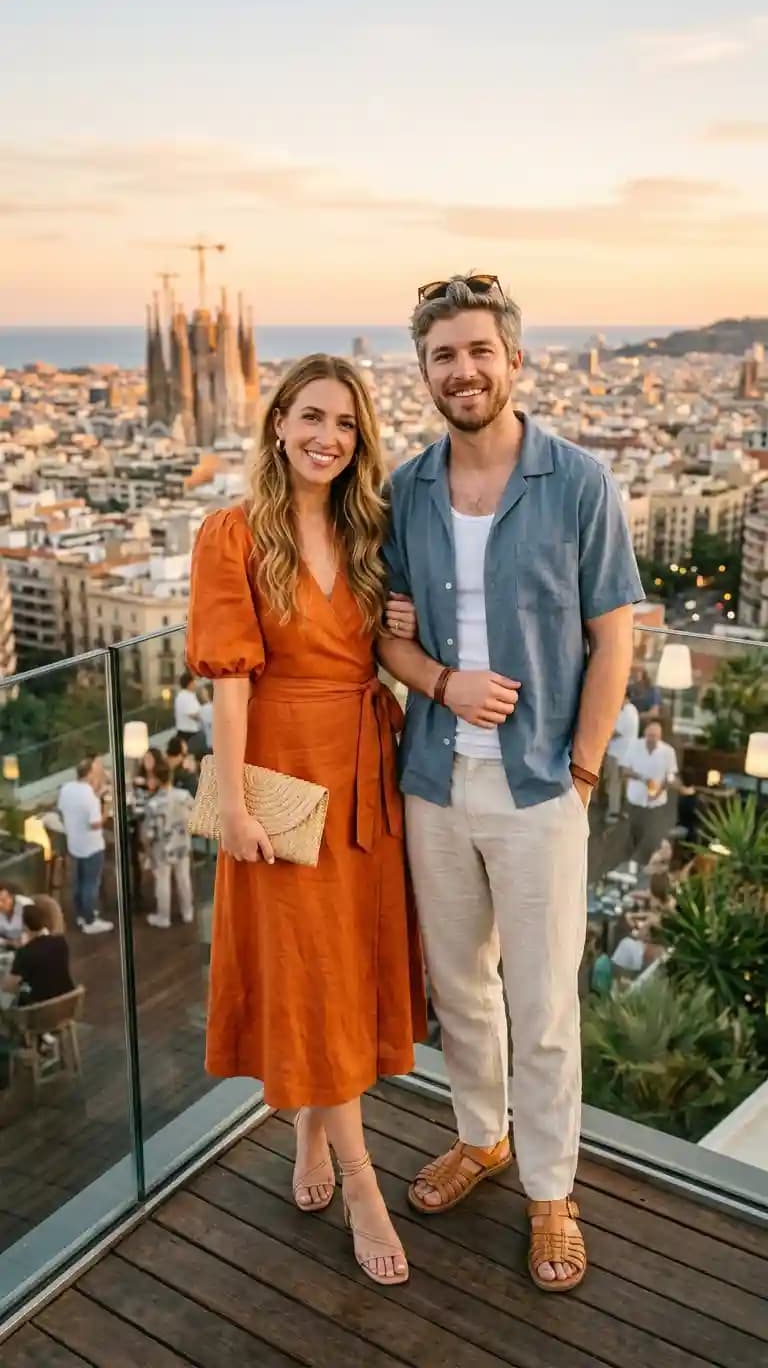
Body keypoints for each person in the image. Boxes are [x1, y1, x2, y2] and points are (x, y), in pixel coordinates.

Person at [378, 274, 644, 1293]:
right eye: (443, 355)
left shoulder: (577, 482)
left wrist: (582, 770)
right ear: (424, 372)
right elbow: (385, 639)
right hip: (435, 779)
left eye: (478, 350)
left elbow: (614, 637)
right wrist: (439, 678)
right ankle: (482, 1136)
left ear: (514, 360)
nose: (463, 370)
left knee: (540, 1001)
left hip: (539, 786)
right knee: (459, 987)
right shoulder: (406, 489)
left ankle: (551, 1190)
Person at [185, 353, 427, 1287]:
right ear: (279, 422)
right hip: (284, 778)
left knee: (344, 973)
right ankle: (363, 1183)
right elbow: (230, 684)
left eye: (347, 424)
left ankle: (313, 1137)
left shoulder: (371, 529)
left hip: (367, 774)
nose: (329, 437)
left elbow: (389, 645)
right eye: (313, 417)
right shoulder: (233, 534)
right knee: (312, 973)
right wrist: (235, 801)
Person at [57, 757, 113, 934]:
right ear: (89, 774)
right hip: (92, 846)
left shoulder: (66, 789)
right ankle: (90, 921)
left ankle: (81, 914)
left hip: (74, 844)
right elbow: (95, 824)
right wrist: (107, 807)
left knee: (79, 882)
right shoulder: (89, 797)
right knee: (91, 884)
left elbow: (63, 810)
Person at [142, 757, 195, 928]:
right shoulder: (184, 796)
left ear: (156, 779)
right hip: (182, 844)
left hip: (162, 848)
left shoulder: (153, 804)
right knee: (184, 879)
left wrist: (147, 849)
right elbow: (195, 814)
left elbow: (148, 833)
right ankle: (187, 912)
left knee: (162, 881)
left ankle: (163, 917)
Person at [2, 899, 75, 1006]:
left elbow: (8, 987)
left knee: (5, 998)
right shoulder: (60, 941)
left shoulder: (25, 953)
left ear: (24, 927)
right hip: (68, 1002)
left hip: (40, 1008)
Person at [624, 721, 678, 864]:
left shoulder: (668, 752)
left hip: (656, 803)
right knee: (634, 832)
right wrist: (643, 778)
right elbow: (625, 770)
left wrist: (658, 791)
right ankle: (632, 862)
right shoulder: (634, 746)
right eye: (649, 735)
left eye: (654, 736)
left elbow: (670, 777)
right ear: (645, 734)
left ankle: (647, 863)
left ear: (660, 737)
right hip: (635, 799)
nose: (651, 739)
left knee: (652, 835)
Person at [603, 691, 639, 823]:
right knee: (621, 784)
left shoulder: (627, 712)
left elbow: (615, 732)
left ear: (625, 697)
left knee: (614, 784)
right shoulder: (631, 710)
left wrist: (601, 738)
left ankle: (613, 813)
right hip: (625, 754)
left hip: (618, 754)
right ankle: (621, 811)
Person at [174, 671, 206, 757]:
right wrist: (204, 717)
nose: (195, 684)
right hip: (189, 734)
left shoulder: (185, 695)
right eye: (194, 681)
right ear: (190, 683)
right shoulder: (186, 696)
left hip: (187, 733)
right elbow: (192, 714)